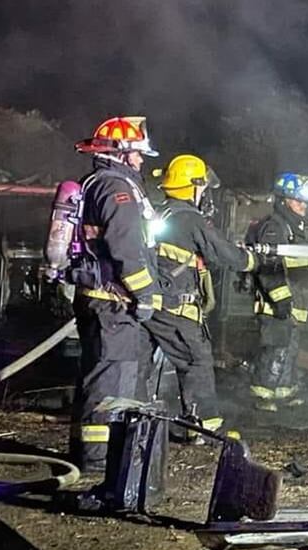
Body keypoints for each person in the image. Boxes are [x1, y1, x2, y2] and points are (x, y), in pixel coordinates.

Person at [146, 154, 268, 433]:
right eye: (202, 187)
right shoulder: (190, 218)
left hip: (152, 303)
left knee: (146, 364)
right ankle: (204, 426)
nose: (205, 194)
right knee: (196, 360)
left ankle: (140, 422)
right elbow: (224, 253)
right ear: (192, 186)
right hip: (174, 305)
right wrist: (252, 260)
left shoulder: (161, 213)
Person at [69, 116, 162, 472]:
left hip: (100, 297)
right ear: (120, 154)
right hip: (113, 301)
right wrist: (145, 293)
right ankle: (98, 459)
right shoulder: (116, 188)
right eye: (136, 154)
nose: (140, 161)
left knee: (100, 375)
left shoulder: (97, 183)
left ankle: (91, 452)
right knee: (112, 379)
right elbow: (126, 247)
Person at [245, 172, 308, 412]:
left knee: (289, 350)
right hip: (276, 305)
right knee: (275, 350)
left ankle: (283, 392)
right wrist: (280, 299)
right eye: (298, 200)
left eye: (305, 201)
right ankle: (263, 395)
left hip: (293, 305)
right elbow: (268, 267)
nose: (303, 206)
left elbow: (299, 263)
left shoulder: (294, 228)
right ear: (284, 200)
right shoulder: (275, 227)